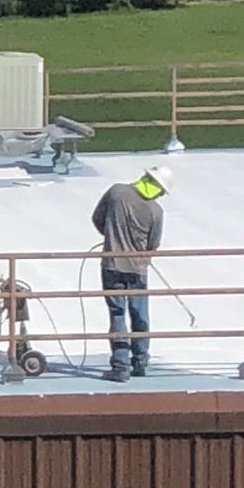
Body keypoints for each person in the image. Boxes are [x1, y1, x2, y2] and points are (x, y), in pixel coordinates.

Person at [91, 164, 171, 383]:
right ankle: (140, 361)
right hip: (138, 268)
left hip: (112, 264)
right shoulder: (156, 211)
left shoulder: (117, 192)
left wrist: (111, 236)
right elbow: (153, 244)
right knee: (140, 313)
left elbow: (97, 218)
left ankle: (120, 366)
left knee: (117, 314)